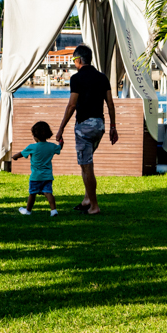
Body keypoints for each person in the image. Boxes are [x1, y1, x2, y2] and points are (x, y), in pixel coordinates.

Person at [55, 44, 118, 215]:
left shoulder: (76, 78)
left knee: (86, 165)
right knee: (86, 163)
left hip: (84, 126)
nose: (74, 63)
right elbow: (110, 104)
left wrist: (60, 129)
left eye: (74, 60)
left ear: (79, 60)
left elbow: (72, 105)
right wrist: (113, 127)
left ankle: (94, 206)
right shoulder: (102, 77)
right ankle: (87, 199)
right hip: (100, 125)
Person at [12, 121, 61, 216]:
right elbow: (59, 148)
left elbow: (21, 153)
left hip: (35, 177)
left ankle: (28, 211)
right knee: (48, 193)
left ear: (35, 135)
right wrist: (61, 141)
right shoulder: (51, 146)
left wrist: (14, 157)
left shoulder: (32, 147)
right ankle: (53, 210)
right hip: (47, 176)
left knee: (32, 194)